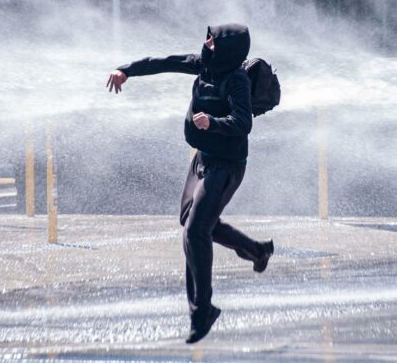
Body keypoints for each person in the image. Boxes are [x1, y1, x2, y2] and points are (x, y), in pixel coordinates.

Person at [107, 23, 275, 344]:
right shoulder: (204, 65)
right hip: (202, 159)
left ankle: (202, 310)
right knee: (193, 222)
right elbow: (164, 61)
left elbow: (243, 122)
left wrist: (212, 122)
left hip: (226, 167)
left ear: (228, 48)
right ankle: (256, 251)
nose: (207, 42)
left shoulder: (236, 80)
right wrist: (125, 70)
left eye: (214, 40)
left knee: (196, 231)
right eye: (208, 37)